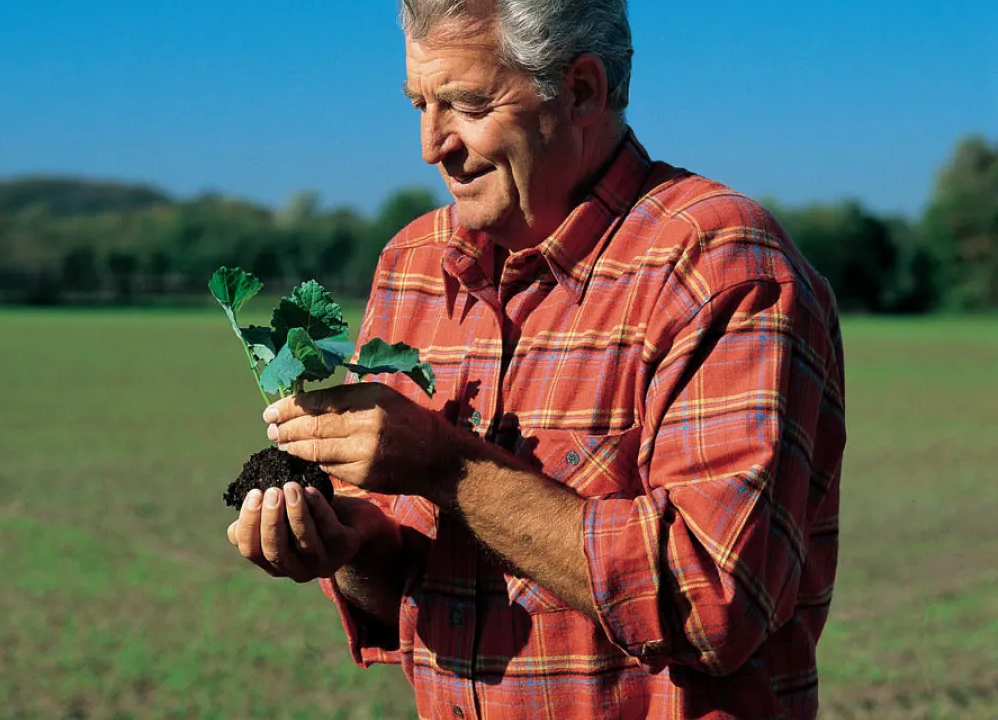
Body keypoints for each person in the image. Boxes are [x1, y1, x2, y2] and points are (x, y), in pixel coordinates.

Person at [227, 0, 846, 717]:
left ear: (580, 90)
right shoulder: (414, 266)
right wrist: (346, 548)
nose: (432, 145)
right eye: (420, 104)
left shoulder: (718, 265)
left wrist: (447, 466)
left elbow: (714, 606)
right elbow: (412, 589)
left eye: (465, 103)